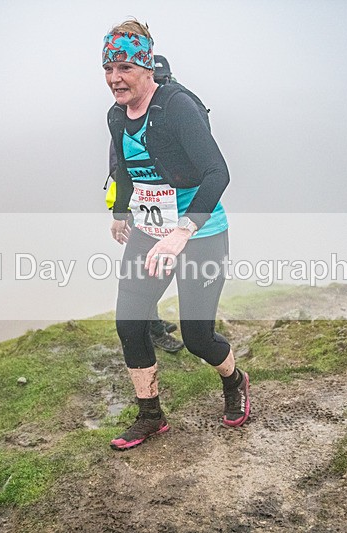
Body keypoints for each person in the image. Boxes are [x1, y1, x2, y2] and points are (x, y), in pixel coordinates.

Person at [102, 19, 250, 451]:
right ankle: (151, 416)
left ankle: (235, 381)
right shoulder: (116, 115)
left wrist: (184, 231)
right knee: (130, 322)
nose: (115, 78)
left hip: (200, 234)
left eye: (125, 67)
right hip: (150, 232)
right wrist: (120, 211)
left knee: (197, 336)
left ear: (146, 66)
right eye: (108, 69)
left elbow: (217, 173)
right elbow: (126, 168)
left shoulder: (177, 107)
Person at [105, 54, 184, 355]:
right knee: (148, 274)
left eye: (166, 81)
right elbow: (119, 166)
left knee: (158, 271)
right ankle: (153, 330)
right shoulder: (125, 117)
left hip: (168, 209)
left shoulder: (170, 111)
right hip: (145, 209)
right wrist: (122, 211)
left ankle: (155, 324)